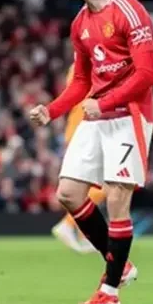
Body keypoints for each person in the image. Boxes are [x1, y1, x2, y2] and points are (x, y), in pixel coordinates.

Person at [29, 0, 153, 304]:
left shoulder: (129, 10)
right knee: (68, 193)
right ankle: (120, 263)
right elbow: (82, 81)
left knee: (117, 199)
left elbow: (147, 74)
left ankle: (110, 292)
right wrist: (52, 110)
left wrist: (105, 103)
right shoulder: (80, 24)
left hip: (128, 117)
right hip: (97, 116)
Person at [50, 63, 107, 254]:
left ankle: (85, 235)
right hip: (85, 129)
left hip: (81, 128)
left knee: (89, 185)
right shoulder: (93, 64)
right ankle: (67, 224)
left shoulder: (79, 65)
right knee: (105, 185)